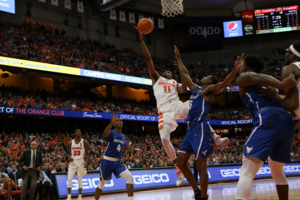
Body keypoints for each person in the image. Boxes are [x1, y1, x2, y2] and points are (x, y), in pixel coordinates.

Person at [136, 27, 229, 186]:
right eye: (164, 71)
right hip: (164, 114)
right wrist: (141, 41)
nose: (166, 72)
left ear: (172, 76)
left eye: (169, 72)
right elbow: (148, 59)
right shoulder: (156, 79)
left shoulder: (174, 83)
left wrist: (180, 67)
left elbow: (185, 88)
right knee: (164, 139)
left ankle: (217, 138)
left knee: (197, 111)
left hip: (178, 107)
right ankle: (178, 168)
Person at [175, 46, 244, 200]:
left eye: (207, 76)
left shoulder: (209, 91)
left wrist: (234, 70)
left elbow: (223, 84)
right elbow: (185, 75)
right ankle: (197, 191)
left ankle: (204, 197)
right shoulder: (196, 90)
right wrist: (179, 58)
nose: (204, 76)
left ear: (210, 82)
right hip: (190, 129)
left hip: (200, 127)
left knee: (200, 165)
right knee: (181, 162)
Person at [235, 55, 297, 200]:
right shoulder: (267, 82)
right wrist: (282, 88)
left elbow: (291, 103)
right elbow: (292, 106)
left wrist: (282, 86)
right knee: (277, 171)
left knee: (246, 171)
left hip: (268, 118)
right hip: (286, 122)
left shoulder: (243, 78)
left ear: (244, 67)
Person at [95, 113, 136, 200]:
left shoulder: (123, 136)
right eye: (118, 121)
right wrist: (110, 124)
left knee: (130, 178)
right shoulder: (111, 132)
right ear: (114, 123)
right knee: (102, 183)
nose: (120, 122)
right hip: (107, 161)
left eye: (121, 121)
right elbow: (104, 133)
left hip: (118, 162)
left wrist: (134, 150)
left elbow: (126, 145)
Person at [66, 129, 89, 200]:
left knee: (80, 180)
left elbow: (87, 153)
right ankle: (69, 196)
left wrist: (87, 162)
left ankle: (79, 196)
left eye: (80, 131)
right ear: (74, 134)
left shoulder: (84, 142)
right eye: (77, 131)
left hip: (81, 162)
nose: (79, 132)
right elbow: (67, 153)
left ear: (81, 133)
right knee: (69, 179)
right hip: (72, 162)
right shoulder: (70, 142)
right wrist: (69, 157)